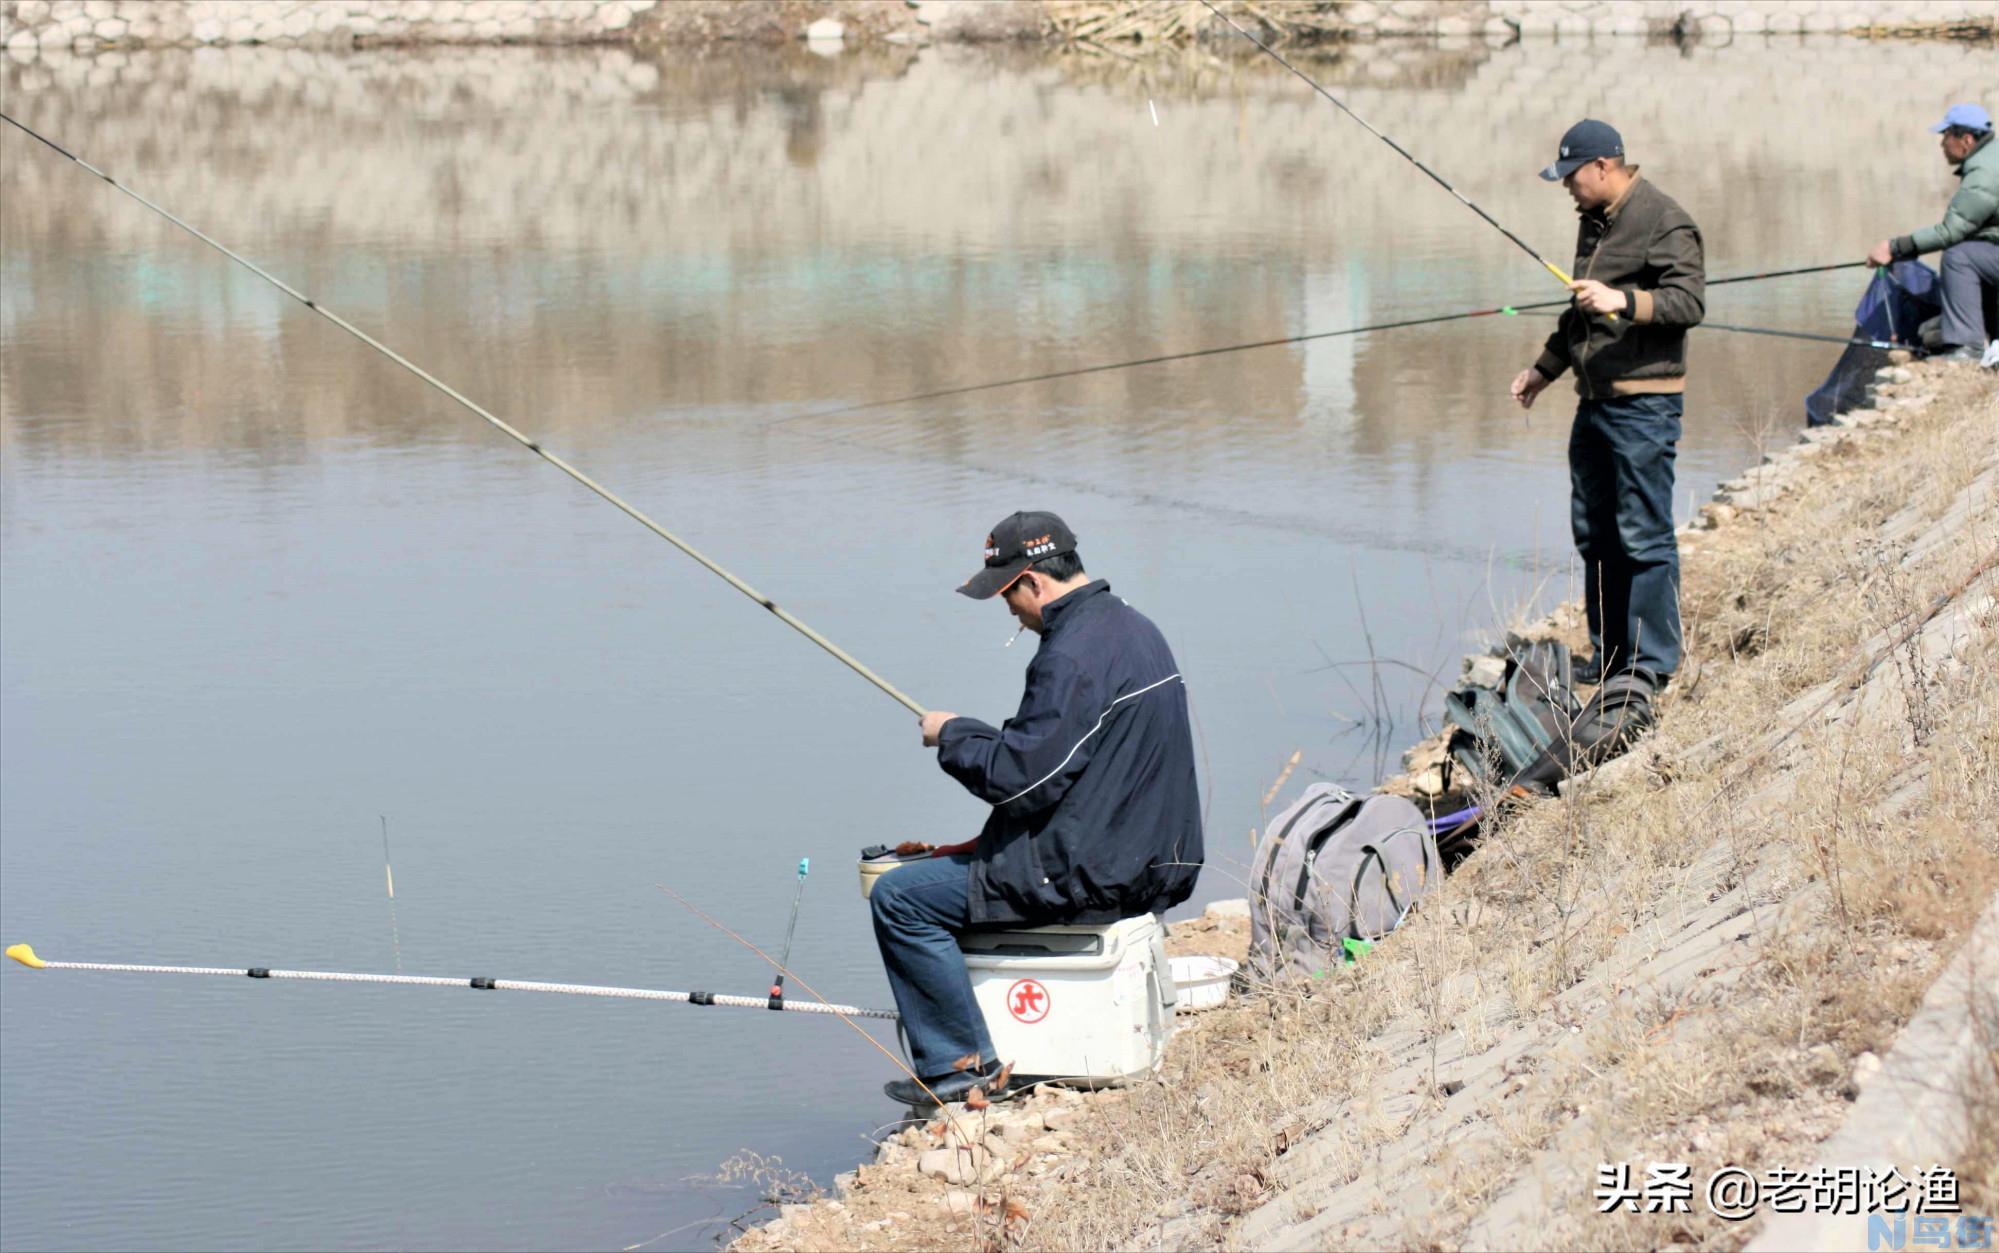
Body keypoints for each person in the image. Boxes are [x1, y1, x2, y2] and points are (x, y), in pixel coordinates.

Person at [869, 511, 1203, 1105]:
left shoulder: (1071, 655)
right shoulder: (1134, 627)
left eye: (1006, 595)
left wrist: (951, 736)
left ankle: (960, 1068)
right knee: (946, 870)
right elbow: (1066, 767)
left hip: (1094, 873)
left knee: (901, 898)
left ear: (1034, 583)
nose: (1010, 612)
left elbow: (1023, 783)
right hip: (1150, 860)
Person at [1509, 120, 1705, 690]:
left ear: (1603, 167)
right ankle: (1611, 655)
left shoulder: (1664, 220)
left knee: (1643, 534)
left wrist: (1623, 298)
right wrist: (1544, 370)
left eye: (1571, 176)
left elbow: (1688, 302)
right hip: (1594, 402)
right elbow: (1581, 314)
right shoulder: (1594, 224)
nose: (1567, 187)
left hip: (1645, 405)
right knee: (1596, 533)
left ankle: (1652, 666)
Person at [1866, 103, 1998, 364]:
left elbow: (1951, 231)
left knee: (1960, 256)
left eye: (1946, 135)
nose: (1942, 144)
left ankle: (1966, 349)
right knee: (1975, 250)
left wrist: (1894, 248)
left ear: (1967, 140)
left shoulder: (1984, 173)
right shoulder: (1991, 158)